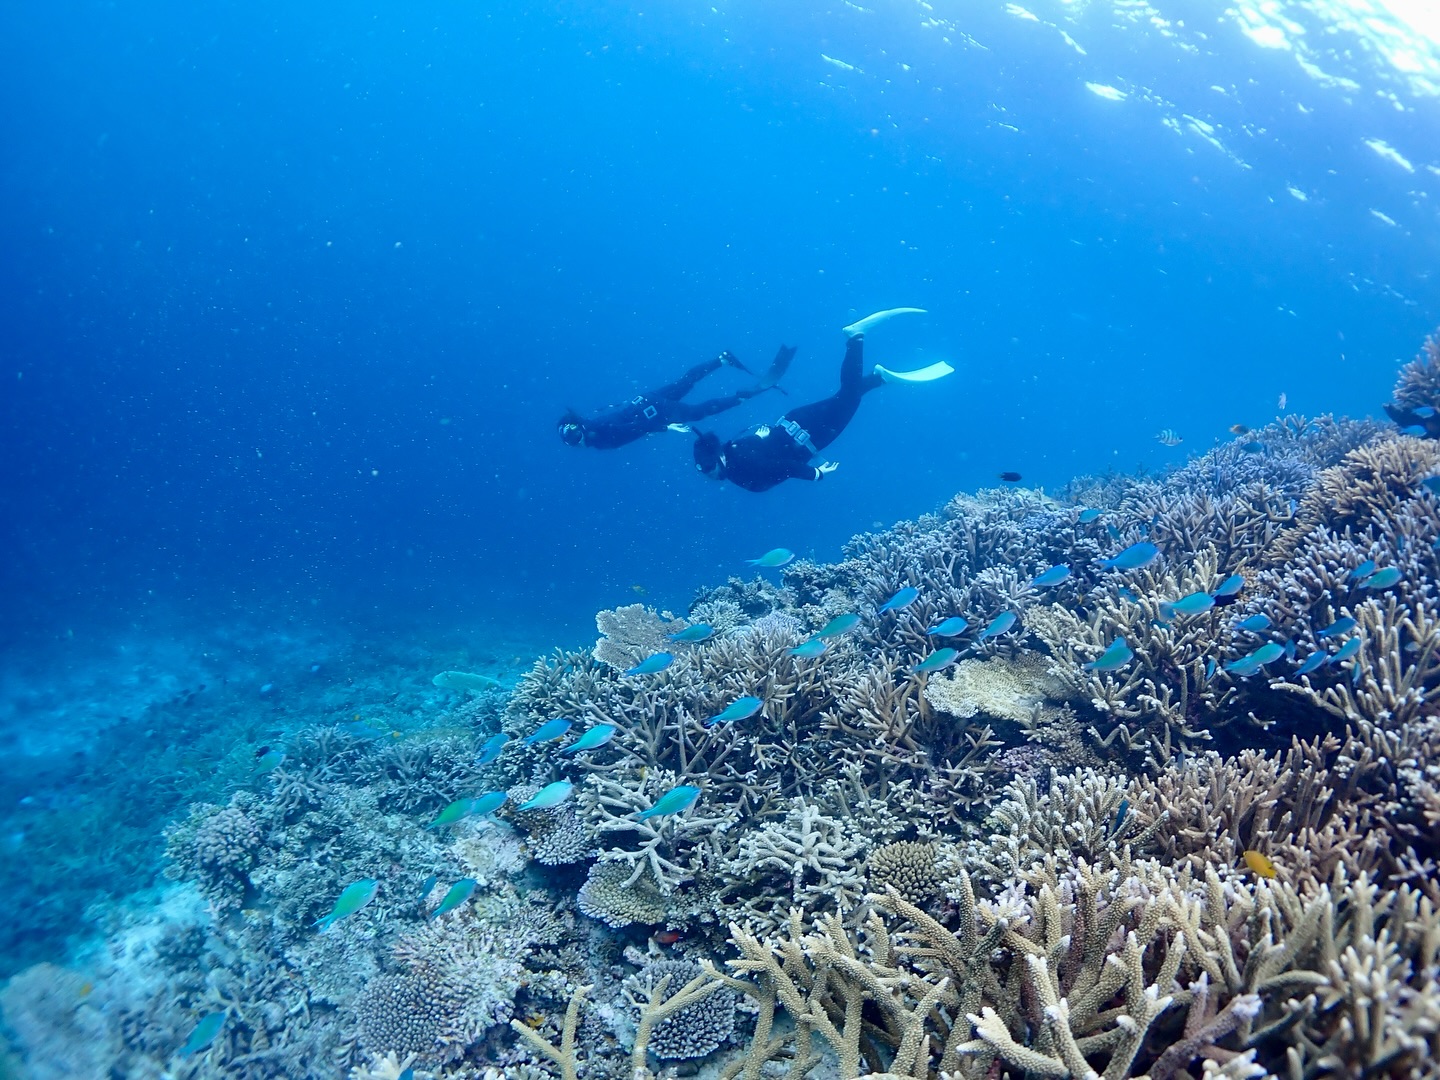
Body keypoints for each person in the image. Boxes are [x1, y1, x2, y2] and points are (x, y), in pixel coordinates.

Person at [691, 333, 952, 492]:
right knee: (845, 397)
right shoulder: (733, 447)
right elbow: (762, 437)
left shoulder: (739, 467)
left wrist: (817, 474)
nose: (707, 474)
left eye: (706, 468)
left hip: (811, 435)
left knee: (848, 397)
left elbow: (786, 466)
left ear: (716, 459)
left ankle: (855, 339)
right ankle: (877, 379)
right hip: (794, 420)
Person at [557, 348, 794, 450]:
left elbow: (630, 427)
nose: (577, 438)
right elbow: (627, 426)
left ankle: (739, 398)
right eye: (572, 437)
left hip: (652, 412)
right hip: (645, 401)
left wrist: (664, 426)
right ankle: (721, 360)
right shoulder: (592, 428)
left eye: (574, 434)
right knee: (683, 383)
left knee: (696, 412)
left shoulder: (597, 436)